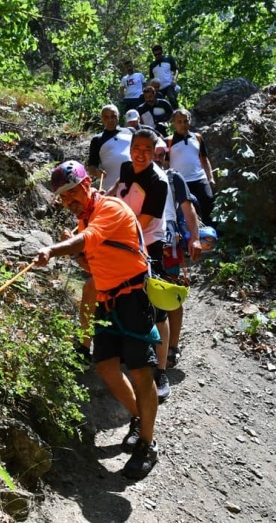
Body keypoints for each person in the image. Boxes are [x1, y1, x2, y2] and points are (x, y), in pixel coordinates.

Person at [34, 161, 159, 480]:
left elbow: (88, 239)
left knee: (141, 372)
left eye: (72, 191)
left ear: (88, 184)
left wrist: (54, 249)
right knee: (105, 366)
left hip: (134, 298)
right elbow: (93, 264)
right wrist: (74, 251)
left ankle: (147, 444)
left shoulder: (111, 208)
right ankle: (138, 418)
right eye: (62, 196)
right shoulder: (85, 221)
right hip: (108, 300)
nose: (69, 199)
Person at [112, 129, 172, 403]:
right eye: (136, 147)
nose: (140, 153)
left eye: (147, 149)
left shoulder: (158, 182)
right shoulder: (126, 168)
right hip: (124, 243)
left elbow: (144, 222)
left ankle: (160, 370)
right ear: (130, 148)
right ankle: (124, 351)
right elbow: (117, 191)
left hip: (148, 246)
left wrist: (108, 231)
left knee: (156, 307)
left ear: (154, 151)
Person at [154, 140, 202, 368]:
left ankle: (172, 346)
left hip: (168, 240)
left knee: (172, 293)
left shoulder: (174, 178)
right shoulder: (135, 177)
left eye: (161, 155)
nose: (157, 158)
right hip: (142, 238)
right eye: (153, 154)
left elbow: (188, 208)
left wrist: (195, 238)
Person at [165, 109, 216, 228]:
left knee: (208, 205)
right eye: (179, 122)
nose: (183, 124)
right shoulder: (168, 141)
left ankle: (211, 238)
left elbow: (204, 159)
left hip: (199, 178)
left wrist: (210, 178)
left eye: (185, 121)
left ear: (190, 121)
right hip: (181, 182)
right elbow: (165, 164)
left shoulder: (197, 138)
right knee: (184, 212)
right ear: (174, 123)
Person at [87, 104, 134, 193]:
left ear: (118, 117)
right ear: (102, 119)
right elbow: (91, 166)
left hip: (134, 182)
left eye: (113, 116)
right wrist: (97, 172)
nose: (110, 120)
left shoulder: (130, 132)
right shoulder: (97, 140)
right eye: (106, 117)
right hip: (110, 187)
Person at [149, 45, 179, 109]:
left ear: (162, 52)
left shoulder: (169, 59)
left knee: (172, 99)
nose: (157, 56)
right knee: (160, 104)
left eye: (159, 54)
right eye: (155, 55)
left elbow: (175, 70)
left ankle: (177, 113)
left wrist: (174, 80)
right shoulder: (152, 65)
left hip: (169, 85)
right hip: (158, 88)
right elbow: (151, 78)